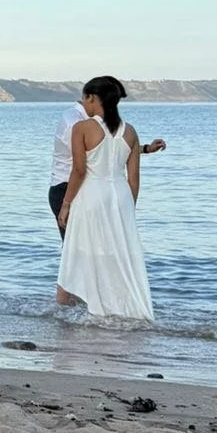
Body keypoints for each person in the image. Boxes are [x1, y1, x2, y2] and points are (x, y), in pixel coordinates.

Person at [56, 76, 154, 321]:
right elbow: (134, 178)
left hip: (91, 194)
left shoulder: (82, 128)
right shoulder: (130, 131)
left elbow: (78, 171)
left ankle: (71, 310)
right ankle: (121, 307)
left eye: (85, 98)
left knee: (79, 251)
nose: (83, 103)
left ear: (92, 99)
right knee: (118, 253)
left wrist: (66, 204)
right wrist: (129, 208)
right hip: (120, 195)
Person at [49, 92, 165, 235]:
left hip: (84, 188)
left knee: (91, 247)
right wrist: (66, 204)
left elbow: (109, 148)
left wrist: (146, 148)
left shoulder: (93, 123)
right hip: (66, 188)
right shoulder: (74, 121)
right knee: (76, 250)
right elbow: (89, 158)